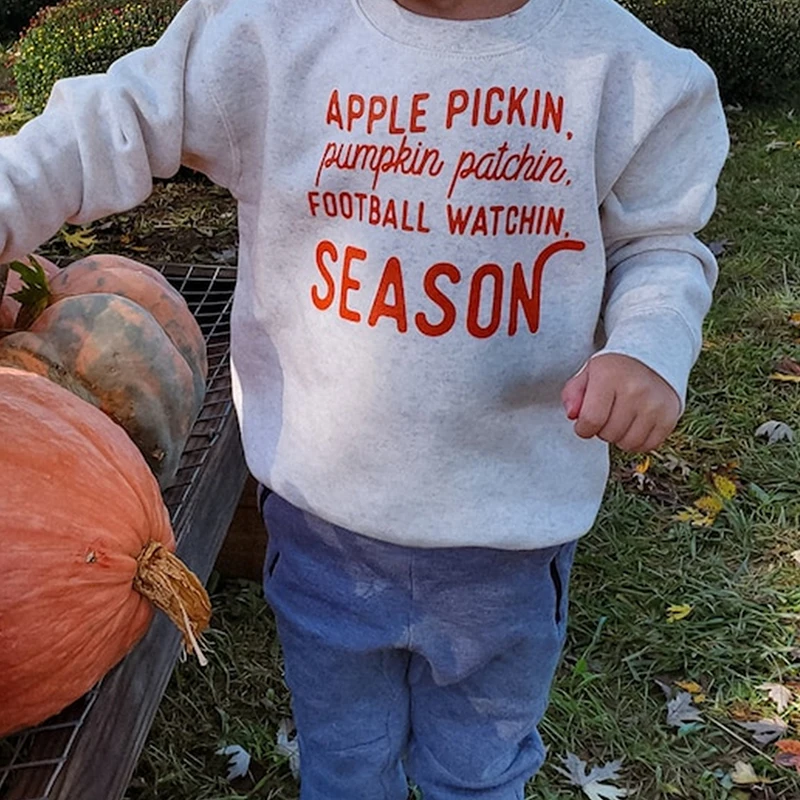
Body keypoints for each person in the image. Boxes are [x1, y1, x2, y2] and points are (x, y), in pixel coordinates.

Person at [0, 0, 729, 796]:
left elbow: (658, 241)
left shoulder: (624, 71)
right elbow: (113, 117)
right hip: (325, 529)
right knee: (345, 761)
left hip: (507, 536)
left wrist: (647, 345)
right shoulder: (270, 31)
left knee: (478, 770)